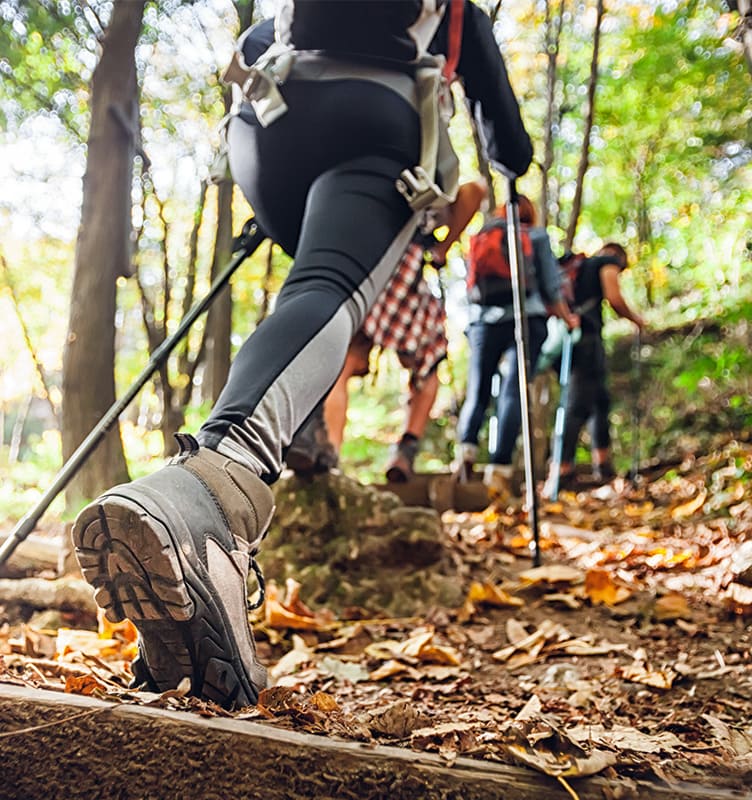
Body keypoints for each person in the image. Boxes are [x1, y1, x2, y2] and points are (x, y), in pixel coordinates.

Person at [72, 0, 533, 709]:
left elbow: (259, 37)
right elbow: (508, 145)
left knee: (308, 287)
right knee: (329, 289)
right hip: (370, 121)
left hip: (265, 125)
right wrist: (508, 159)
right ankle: (214, 498)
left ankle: (293, 444)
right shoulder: (457, 11)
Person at [288, 179, 486, 483]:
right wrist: (442, 248)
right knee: (426, 366)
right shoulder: (425, 176)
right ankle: (405, 449)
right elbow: (477, 189)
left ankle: (328, 453)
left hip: (362, 266)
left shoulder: (366, 181)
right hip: (406, 273)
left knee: (342, 364)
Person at [454, 195, 578, 500]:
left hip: (484, 321)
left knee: (478, 389)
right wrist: (568, 318)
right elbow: (551, 284)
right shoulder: (535, 236)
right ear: (530, 214)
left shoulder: (484, 234)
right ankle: (499, 469)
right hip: (526, 318)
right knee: (513, 390)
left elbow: (469, 286)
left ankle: (465, 453)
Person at [544, 242, 645, 491]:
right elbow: (614, 297)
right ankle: (561, 470)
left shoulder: (576, 268)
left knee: (600, 400)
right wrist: (636, 320)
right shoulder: (605, 263)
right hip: (585, 340)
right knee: (577, 404)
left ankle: (603, 465)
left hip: (568, 341)